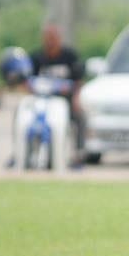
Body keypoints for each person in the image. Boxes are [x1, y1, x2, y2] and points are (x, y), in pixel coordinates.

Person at [30, 23, 85, 166]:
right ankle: (22, 152)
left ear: (59, 38)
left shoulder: (69, 56)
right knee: (22, 116)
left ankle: (78, 153)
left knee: (80, 117)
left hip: (64, 101)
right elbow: (28, 82)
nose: (50, 40)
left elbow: (78, 80)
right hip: (41, 102)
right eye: (47, 37)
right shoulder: (36, 58)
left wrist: (75, 99)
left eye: (53, 37)